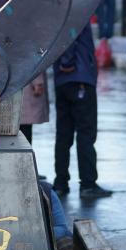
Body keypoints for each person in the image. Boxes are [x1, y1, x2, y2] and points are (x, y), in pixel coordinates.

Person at [53, 24, 112, 198]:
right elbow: (70, 32)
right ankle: (88, 183)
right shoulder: (77, 9)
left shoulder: (57, 9)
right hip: (79, 77)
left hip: (64, 80)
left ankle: (61, 182)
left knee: (63, 134)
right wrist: (67, 61)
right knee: (86, 133)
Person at [19, 72, 48, 144]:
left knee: (22, 126)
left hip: (20, 83)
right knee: (25, 126)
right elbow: (34, 65)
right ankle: (25, 150)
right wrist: (38, 82)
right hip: (27, 85)